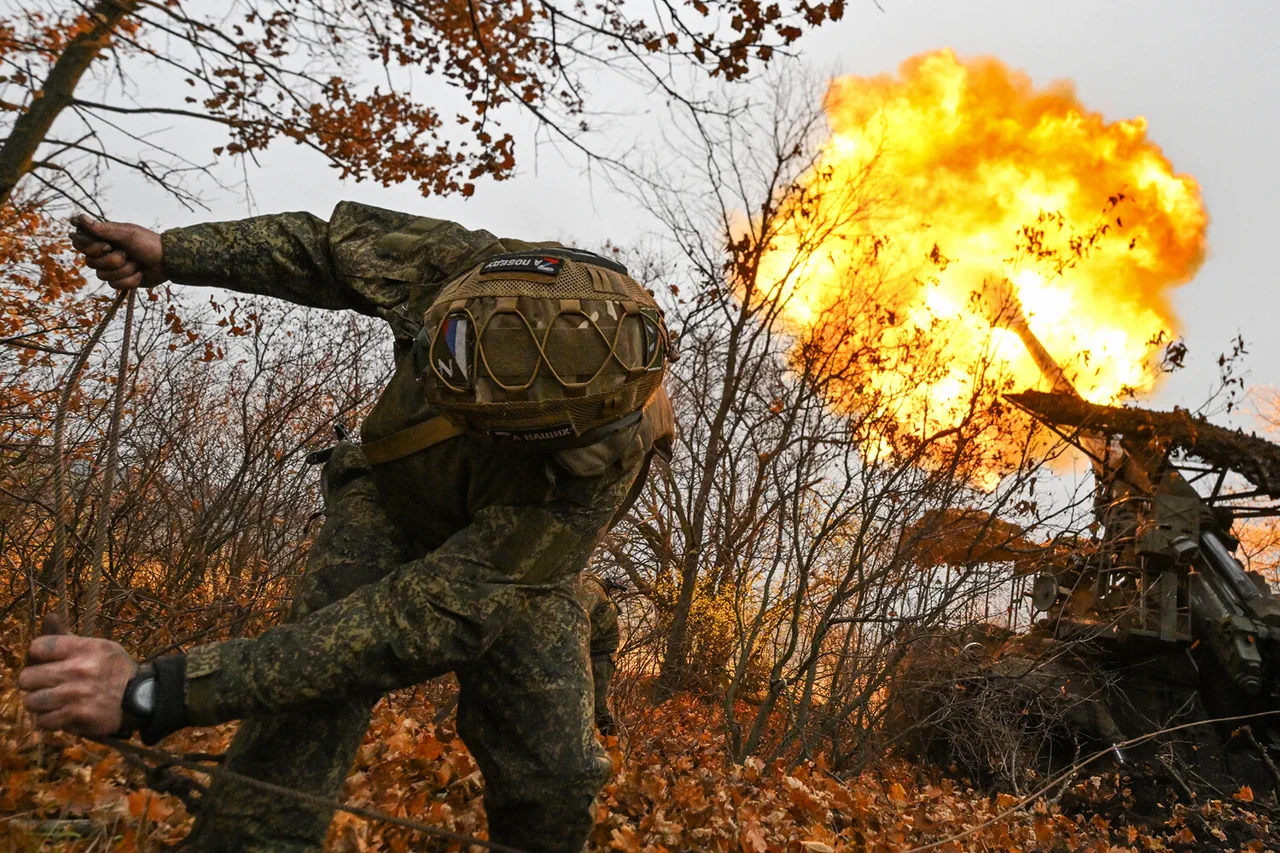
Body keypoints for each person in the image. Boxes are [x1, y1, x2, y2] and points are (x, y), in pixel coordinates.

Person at [17, 203, 673, 853]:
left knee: (556, 775)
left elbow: (416, 621)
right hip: (390, 498)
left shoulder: (594, 473)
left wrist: (153, 692)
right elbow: (327, 250)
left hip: (512, 554)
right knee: (306, 710)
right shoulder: (469, 271)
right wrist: (175, 252)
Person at [574, 574, 621, 736]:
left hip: (601, 659)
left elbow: (580, 620)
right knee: (586, 703)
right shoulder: (595, 590)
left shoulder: (593, 590)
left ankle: (613, 740)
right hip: (595, 656)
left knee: (597, 706)